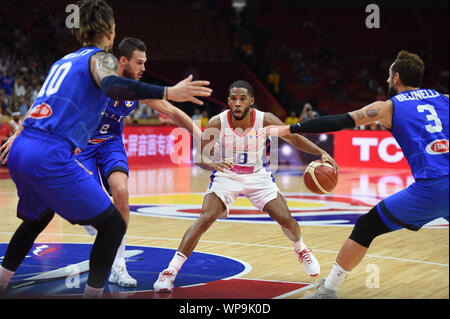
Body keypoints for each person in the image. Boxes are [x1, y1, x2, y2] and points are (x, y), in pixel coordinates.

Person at [0, 0, 211, 298]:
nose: (142, 68)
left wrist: (18, 133)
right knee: (111, 226)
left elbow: (43, 103)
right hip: (60, 150)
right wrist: (169, 91)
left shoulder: (64, 61)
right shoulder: (102, 60)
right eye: (139, 63)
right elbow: (112, 85)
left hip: (29, 147)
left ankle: (3, 281)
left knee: (42, 217)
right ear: (110, 31)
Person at [263, 50, 449, 298]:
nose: (386, 80)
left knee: (366, 226)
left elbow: (340, 121)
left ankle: (327, 290)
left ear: (396, 78)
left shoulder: (388, 107)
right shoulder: (444, 98)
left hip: (433, 188)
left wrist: (289, 128)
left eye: (388, 75)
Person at [152, 80, 338, 293]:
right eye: (233, 98)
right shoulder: (217, 122)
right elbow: (200, 157)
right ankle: (170, 270)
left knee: (286, 219)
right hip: (226, 175)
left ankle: (301, 248)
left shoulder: (266, 119)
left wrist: (320, 152)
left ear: (251, 101)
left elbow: (294, 138)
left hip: (258, 177)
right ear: (228, 100)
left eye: (242, 99)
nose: (237, 103)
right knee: (205, 218)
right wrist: (214, 164)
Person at [77, 37, 202, 288]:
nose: (144, 68)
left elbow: (174, 112)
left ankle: (119, 266)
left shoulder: (136, 88)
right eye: (139, 62)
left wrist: (203, 138)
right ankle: (94, 220)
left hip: (110, 142)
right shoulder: (99, 79)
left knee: (121, 192)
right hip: (82, 143)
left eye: (145, 62)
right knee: (90, 202)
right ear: (123, 61)